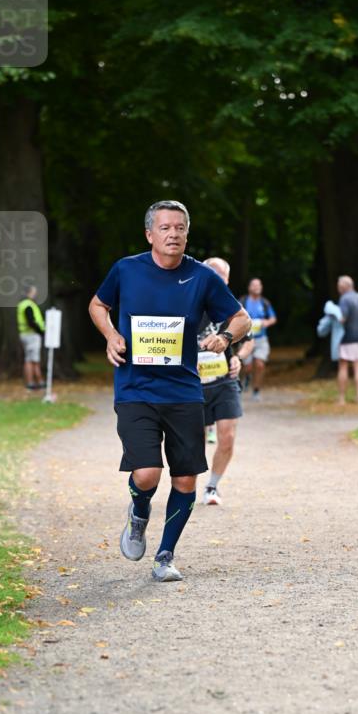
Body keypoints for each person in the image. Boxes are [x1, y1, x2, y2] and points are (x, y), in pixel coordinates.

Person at [88, 200, 251, 582]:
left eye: (180, 227)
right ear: (150, 234)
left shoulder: (201, 276)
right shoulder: (126, 269)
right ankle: (138, 512)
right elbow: (98, 304)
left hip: (183, 391)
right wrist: (111, 335)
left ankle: (165, 555)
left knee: (185, 480)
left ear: (187, 234)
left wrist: (225, 337)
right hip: (135, 388)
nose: (173, 233)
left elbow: (241, 317)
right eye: (165, 228)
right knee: (145, 474)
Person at [198, 257, 243, 506]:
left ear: (226, 279)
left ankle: (212, 487)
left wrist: (239, 360)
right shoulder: (185, 300)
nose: (216, 278)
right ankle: (185, 488)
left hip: (225, 381)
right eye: (211, 272)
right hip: (193, 383)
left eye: (221, 274)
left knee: (227, 437)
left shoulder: (232, 307)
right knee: (195, 441)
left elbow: (247, 343)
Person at [238, 277, 277, 400]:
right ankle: (247, 377)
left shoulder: (265, 303)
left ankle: (256, 390)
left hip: (261, 339)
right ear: (249, 288)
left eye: (259, 285)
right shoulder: (243, 301)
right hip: (246, 338)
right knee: (248, 366)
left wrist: (266, 322)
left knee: (260, 364)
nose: (256, 287)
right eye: (254, 285)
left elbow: (273, 318)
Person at [336, 275, 358, 405]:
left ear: (344, 286)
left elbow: (342, 318)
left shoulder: (344, 299)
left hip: (347, 337)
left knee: (343, 366)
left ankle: (342, 398)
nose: (337, 288)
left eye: (338, 285)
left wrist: (333, 318)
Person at [17, 285, 46, 390]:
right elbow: (31, 321)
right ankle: (38, 382)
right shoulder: (28, 305)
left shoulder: (22, 304)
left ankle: (30, 382)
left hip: (25, 334)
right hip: (32, 335)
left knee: (28, 359)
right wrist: (42, 332)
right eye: (34, 292)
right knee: (34, 360)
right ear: (29, 292)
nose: (35, 294)